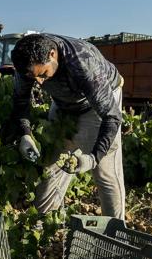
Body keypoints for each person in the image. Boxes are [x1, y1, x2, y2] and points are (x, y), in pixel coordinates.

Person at [10, 33, 126, 219]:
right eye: (34, 77)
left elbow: (112, 117)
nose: (39, 82)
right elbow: (20, 100)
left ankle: (115, 233)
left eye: (43, 74)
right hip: (63, 103)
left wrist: (93, 158)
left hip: (95, 105)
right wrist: (25, 133)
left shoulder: (83, 63)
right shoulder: (27, 63)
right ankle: (44, 222)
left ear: (52, 54)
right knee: (51, 163)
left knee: (104, 173)